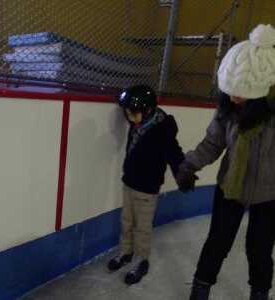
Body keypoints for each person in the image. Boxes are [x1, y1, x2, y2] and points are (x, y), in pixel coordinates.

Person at [176, 24, 275, 300]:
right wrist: (188, 166)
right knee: (218, 241)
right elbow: (212, 143)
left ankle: (259, 292)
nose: (232, 96)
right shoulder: (228, 110)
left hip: (269, 193)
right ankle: (201, 287)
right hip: (229, 188)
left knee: (260, 247)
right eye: (230, 88)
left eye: (240, 90)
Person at [107, 85, 185, 285]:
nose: (129, 118)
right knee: (126, 221)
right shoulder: (138, 124)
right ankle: (126, 252)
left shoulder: (162, 131)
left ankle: (142, 261)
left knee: (142, 228)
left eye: (133, 113)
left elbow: (174, 154)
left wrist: (184, 174)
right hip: (130, 182)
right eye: (127, 114)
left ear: (148, 110)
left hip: (147, 189)